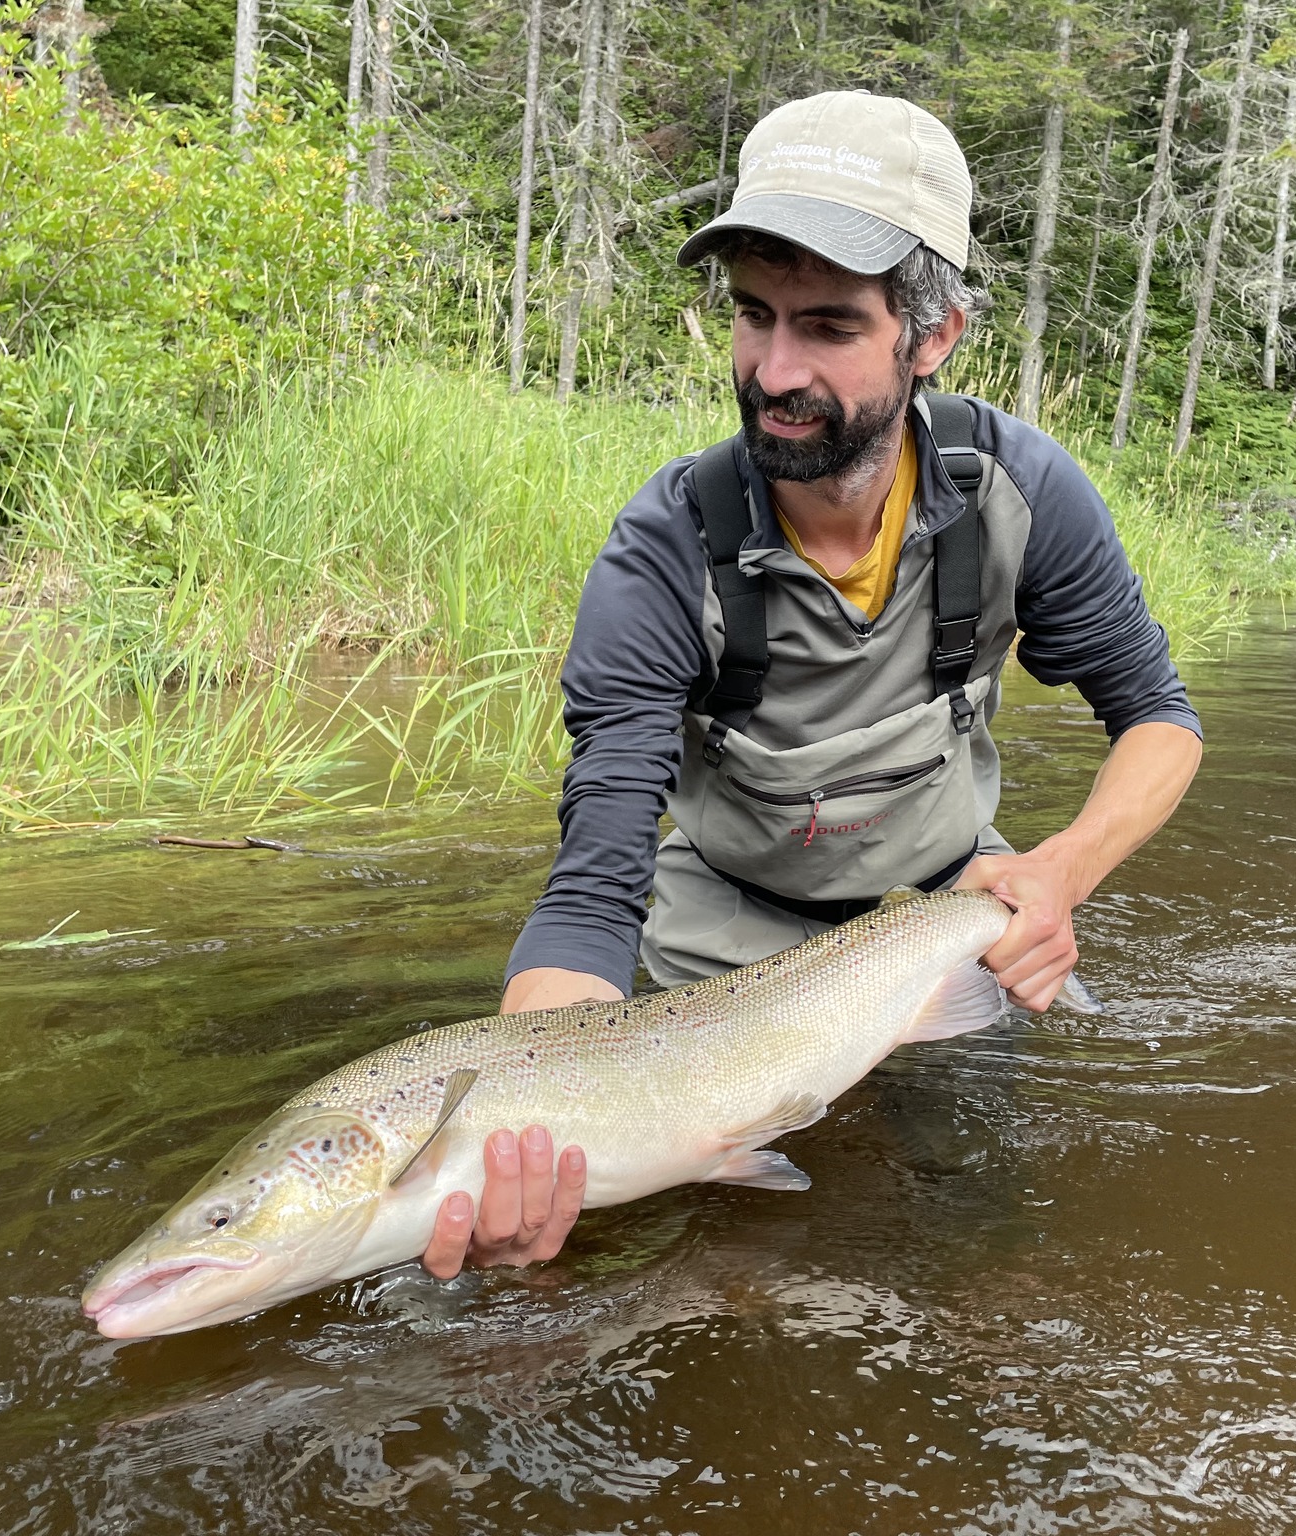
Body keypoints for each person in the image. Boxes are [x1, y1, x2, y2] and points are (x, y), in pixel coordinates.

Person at [419, 90, 1203, 1280]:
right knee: (720, 1272)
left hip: (943, 924)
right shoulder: (661, 550)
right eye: (752, 315)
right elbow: (597, 871)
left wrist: (1055, 877)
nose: (773, 370)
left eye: (828, 326)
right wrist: (535, 1113)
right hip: (717, 955)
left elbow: (1158, 720)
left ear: (931, 336)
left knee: (973, 1234)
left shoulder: (1020, 492)